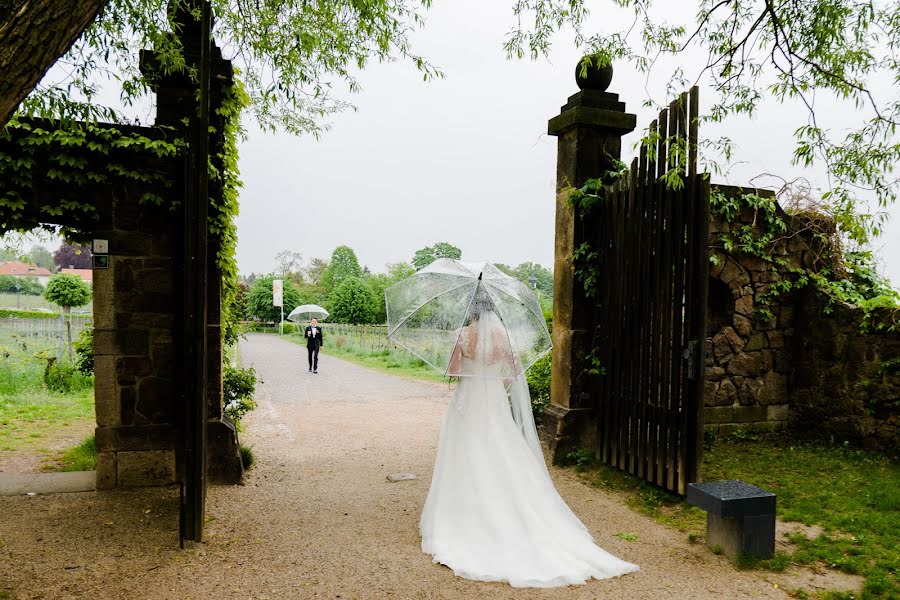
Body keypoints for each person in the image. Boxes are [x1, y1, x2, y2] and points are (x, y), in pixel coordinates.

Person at [419, 292, 639, 588]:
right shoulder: (504, 335)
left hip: (468, 401)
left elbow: (454, 371)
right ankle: (511, 507)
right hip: (494, 401)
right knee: (501, 452)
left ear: (470, 311)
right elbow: (515, 374)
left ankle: (465, 514)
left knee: (465, 453)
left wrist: (459, 368)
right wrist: (495, 382)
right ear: (492, 309)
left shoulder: (463, 334)